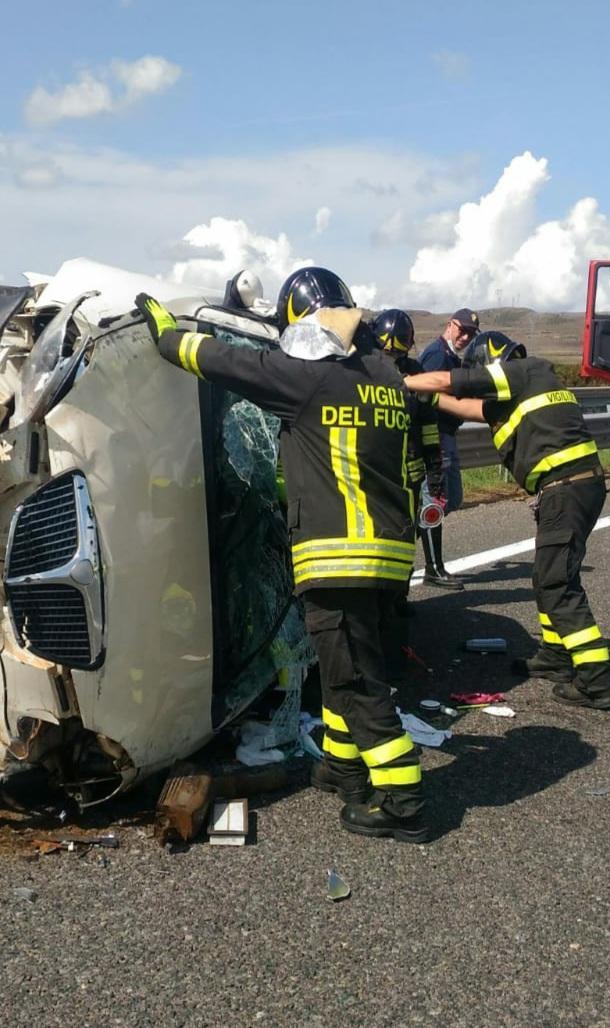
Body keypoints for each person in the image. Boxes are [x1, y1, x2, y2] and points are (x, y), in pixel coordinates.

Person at [135, 268, 429, 841]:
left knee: (356, 681)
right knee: (346, 669)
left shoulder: (310, 381)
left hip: (340, 555)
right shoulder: (385, 377)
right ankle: (344, 766)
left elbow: (233, 365)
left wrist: (171, 340)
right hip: (386, 555)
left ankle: (402, 797)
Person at [404, 331, 610, 710]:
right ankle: (554, 655)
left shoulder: (522, 371)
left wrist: (397, 382)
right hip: (569, 489)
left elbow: (448, 380)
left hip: (566, 490)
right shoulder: (526, 387)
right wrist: (433, 399)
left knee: (556, 583)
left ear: (492, 361)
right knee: (548, 577)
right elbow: (470, 408)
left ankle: (594, 678)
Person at [368, 309, 443, 681]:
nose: (391, 361)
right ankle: (376, 602)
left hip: (408, 478)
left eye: (397, 356)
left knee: (403, 541)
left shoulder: (417, 375)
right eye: (386, 355)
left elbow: (429, 427)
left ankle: (398, 598)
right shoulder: (360, 369)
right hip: (374, 476)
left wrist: (435, 470)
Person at [414, 307, 479, 588]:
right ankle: (433, 568)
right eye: (462, 330)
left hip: (447, 433)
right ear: (450, 325)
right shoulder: (438, 354)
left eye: (471, 333)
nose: (465, 336)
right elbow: (422, 395)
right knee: (435, 500)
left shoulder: (450, 356)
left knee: (450, 500)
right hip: (435, 435)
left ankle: (416, 540)